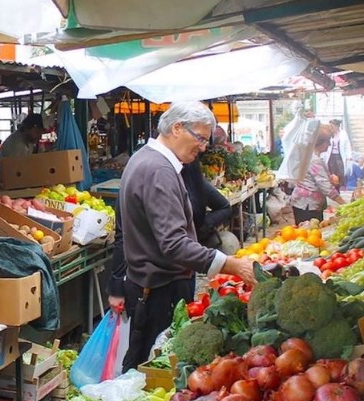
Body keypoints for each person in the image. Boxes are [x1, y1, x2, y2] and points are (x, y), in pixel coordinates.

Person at [116, 102, 256, 373]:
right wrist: (230, 264)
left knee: (144, 363)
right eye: (200, 138)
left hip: (148, 285)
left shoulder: (146, 159)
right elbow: (173, 244)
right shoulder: (159, 170)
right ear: (177, 128)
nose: (203, 147)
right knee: (154, 370)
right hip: (158, 290)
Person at [108, 155, 234, 311]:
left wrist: (200, 227)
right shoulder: (147, 174)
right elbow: (123, 235)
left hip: (184, 275)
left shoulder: (191, 179)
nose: (201, 148)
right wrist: (116, 286)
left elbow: (224, 207)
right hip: (152, 282)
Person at [290, 125, 345, 224]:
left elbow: (317, 178)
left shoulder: (310, 155)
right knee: (309, 233)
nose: (329, 144)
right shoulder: (314, 160)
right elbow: (325, 186)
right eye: (327, 141)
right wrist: (343, 203)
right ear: (319, 142)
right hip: (308, 205)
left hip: (305, 203)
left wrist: (329, 178)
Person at [0, 113, 45, 180]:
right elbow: (17, 171)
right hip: (4, 182)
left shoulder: (28, 140)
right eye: (37, 132)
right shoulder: (16, 144)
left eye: (40, 133)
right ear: (26, 128)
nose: (39, 136)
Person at [323, 119, 351, 191]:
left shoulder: (343, 134)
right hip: (331, 156)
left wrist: (348, 156)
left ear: (337, 126)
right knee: (331, 172)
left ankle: (339, 187)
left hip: (339, 156)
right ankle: (333, 188)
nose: (331, 128)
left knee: (340, 172)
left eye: (332, 126)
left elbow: (347, 146)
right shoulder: (329, 134)